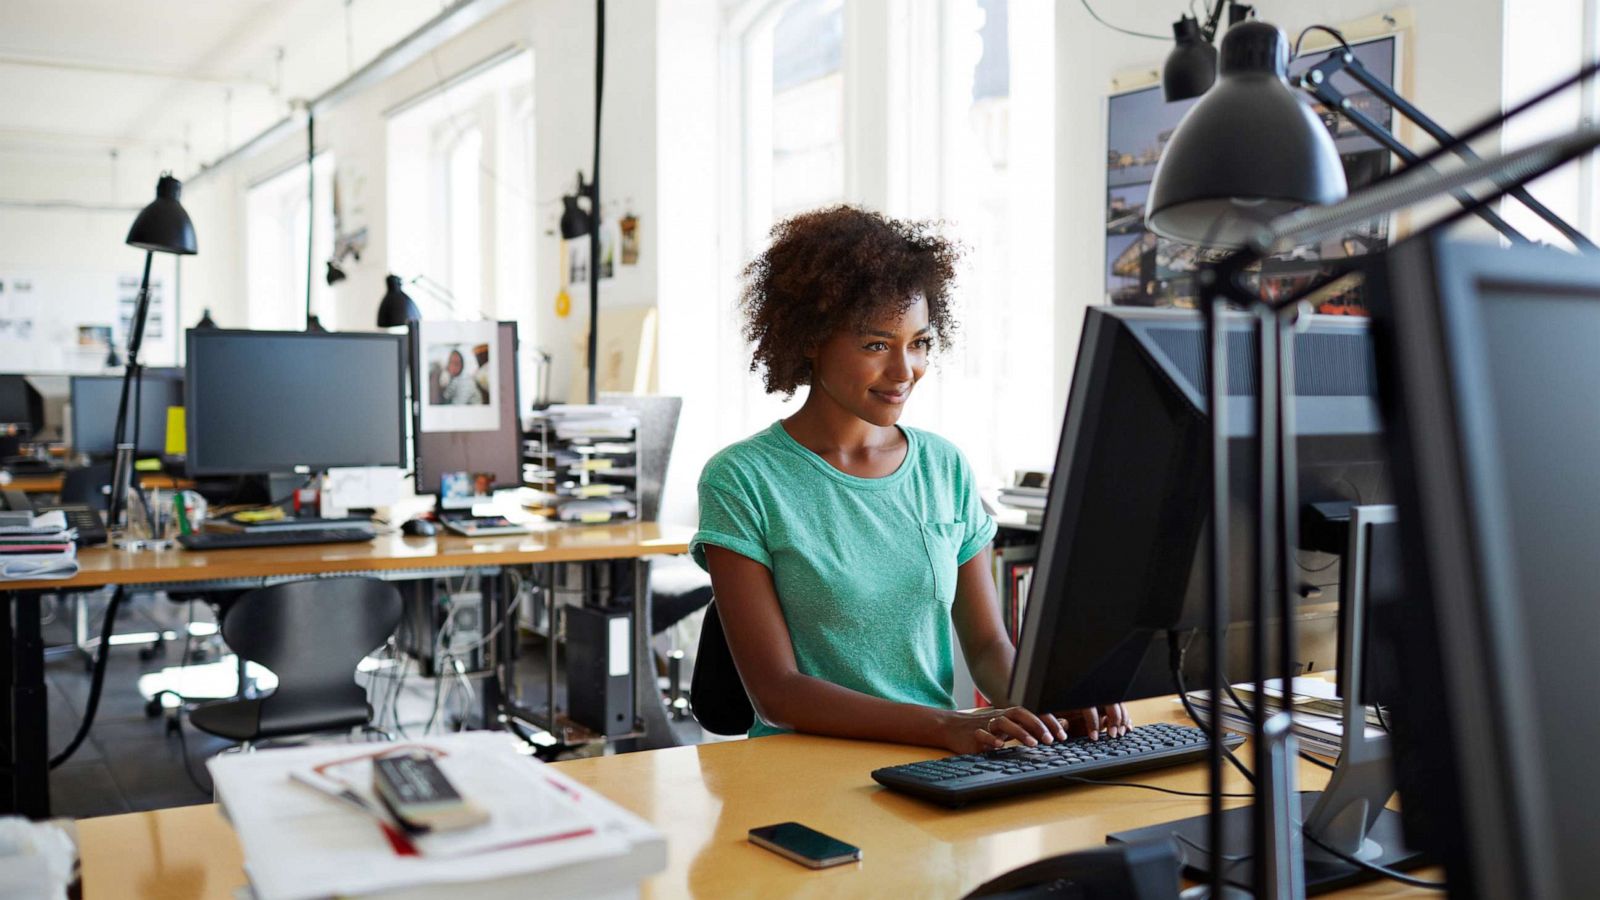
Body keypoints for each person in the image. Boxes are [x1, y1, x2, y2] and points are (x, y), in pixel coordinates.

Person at [692, 205, 1129, 755]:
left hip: (932, 759)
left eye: (919, 343)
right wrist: (946, 727)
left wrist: (1050, 699)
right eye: (876, 345)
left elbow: (989, 644)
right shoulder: (743, 479)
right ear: (810, 339)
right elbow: (779, 694)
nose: (905, 372)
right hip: (801, 768)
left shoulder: (944, 467)